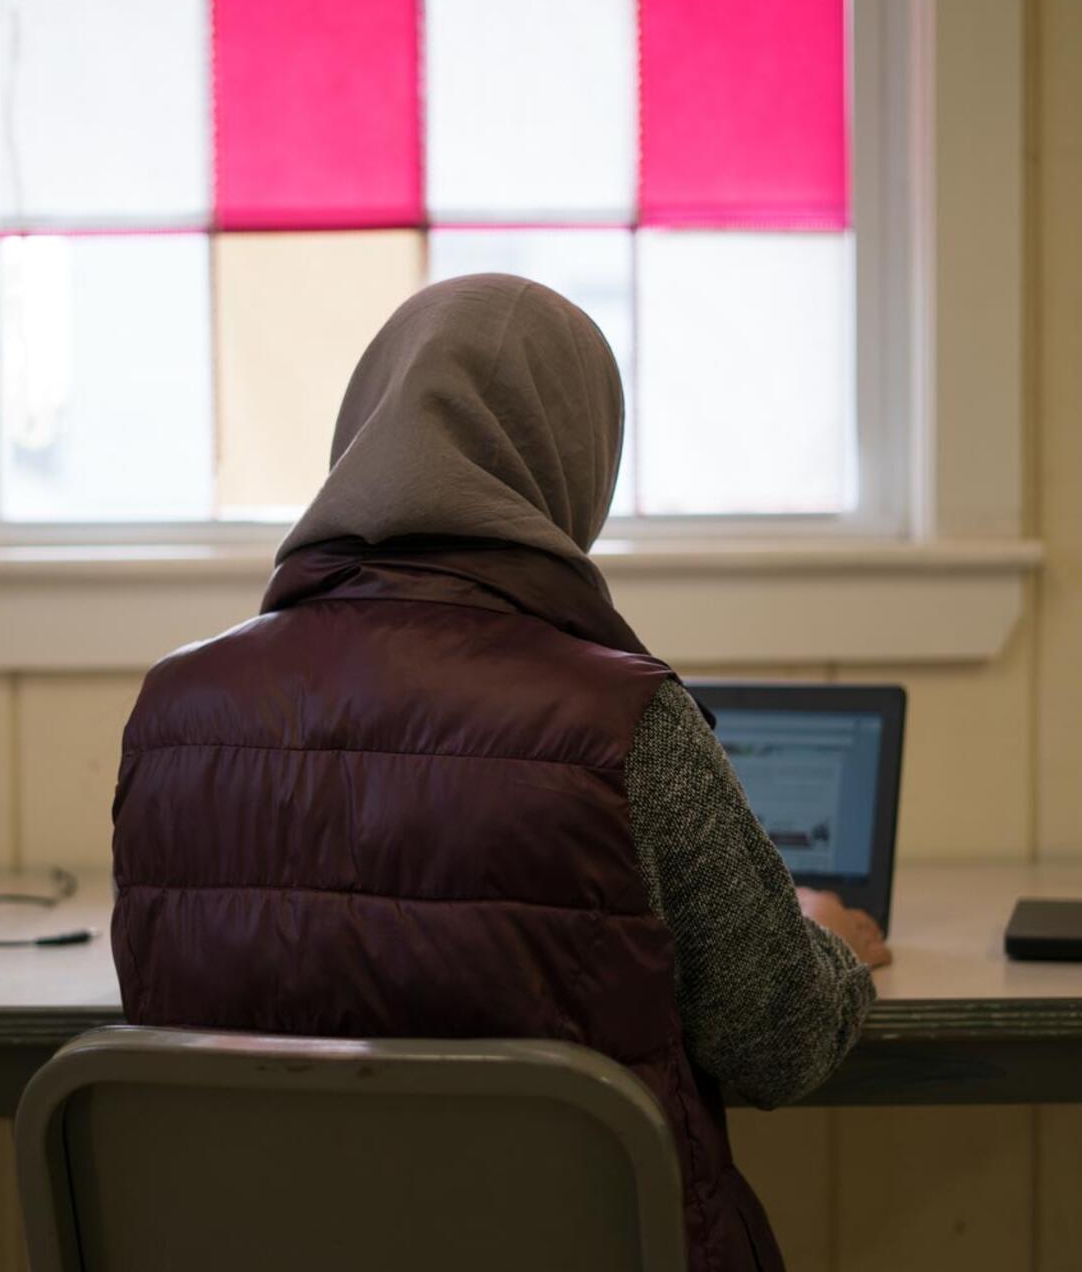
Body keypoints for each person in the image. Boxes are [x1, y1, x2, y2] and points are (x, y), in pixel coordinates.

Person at [111, 274, 888, 1272]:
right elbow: (776, 1042)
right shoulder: (622, 722)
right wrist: (823, 940)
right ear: (572, 460)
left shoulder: (174, 714)